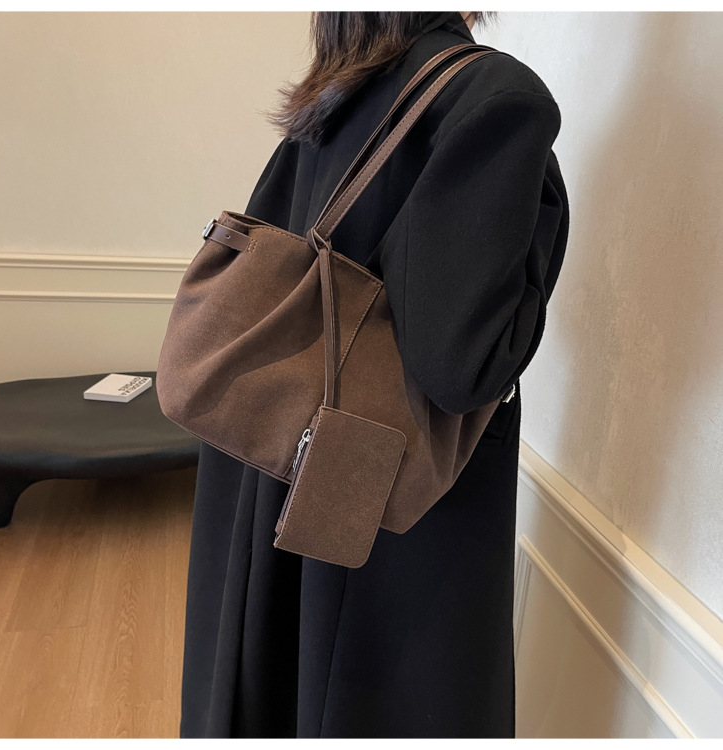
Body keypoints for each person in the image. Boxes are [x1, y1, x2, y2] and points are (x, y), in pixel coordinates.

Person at [179, 11, 569, 739]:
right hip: (383, 503)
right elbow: (462, 368)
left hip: (275, 461)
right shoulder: (496, 97)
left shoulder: (337, 87)